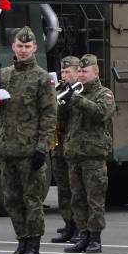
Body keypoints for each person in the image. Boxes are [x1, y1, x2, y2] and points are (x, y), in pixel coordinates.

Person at [0, 26, 57, 254]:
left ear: (35, 49)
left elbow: (49, 116)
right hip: (7, 148)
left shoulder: (42, 78)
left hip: (29, 150)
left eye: (28, 47)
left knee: (32, 201)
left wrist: (42, 148)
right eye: (20, 46)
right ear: (13, 48)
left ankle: (34, 249)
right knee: (12, 202)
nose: (24, 50)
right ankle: (21, 244)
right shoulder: (5, 74)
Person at [61, 54, 115, 254]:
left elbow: (100, 113)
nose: (81, 75)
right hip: (74, 152)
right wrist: (63, 100)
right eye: (80, 71)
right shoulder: (76, 92)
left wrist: (75, 99)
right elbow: (61, 121)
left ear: (96, 73)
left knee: (95, 198)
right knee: (77, 197)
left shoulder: (104, 93)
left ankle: (95, 237)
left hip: (93, 154)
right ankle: (82, 234)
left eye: (85, 71)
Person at [50, 56, 81, 244]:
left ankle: (79, 225)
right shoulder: (60, 90)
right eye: (62, 72)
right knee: (63, 189)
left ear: (78, 73)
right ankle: (68, 223)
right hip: (59, 145)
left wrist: (71, 98)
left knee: (75, 189)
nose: (64, 75)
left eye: (68, 72)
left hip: (74, 145)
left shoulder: (80, 92)